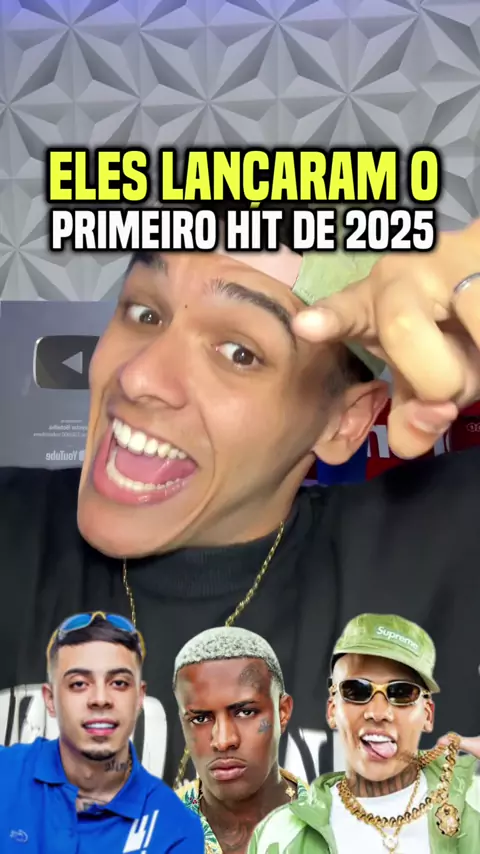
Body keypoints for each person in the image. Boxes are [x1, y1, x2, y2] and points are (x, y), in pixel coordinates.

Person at [1, 205, 480, 786]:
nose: (138, 376)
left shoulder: (440, 556)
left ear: (346, 422)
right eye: (146, 313)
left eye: (239, 353)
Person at [248, 613, 480, 854]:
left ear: (428, 715)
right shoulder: (279, 835)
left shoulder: (474, 804)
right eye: (356, 690)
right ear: (332, 710)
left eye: (401, 692)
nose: (378, 713)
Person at [0, 612, 204, 853]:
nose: (100, 699)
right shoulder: (6, 773)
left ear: (139, 698)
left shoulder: (177, 829)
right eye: (79, 684)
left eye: (118, 683)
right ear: (50, 700)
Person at [174, 626, 308, 854]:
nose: (223, 740)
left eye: (245, 712)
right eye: (201, 718)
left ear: (282, 712)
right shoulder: (149, 834)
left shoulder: (337, 830)